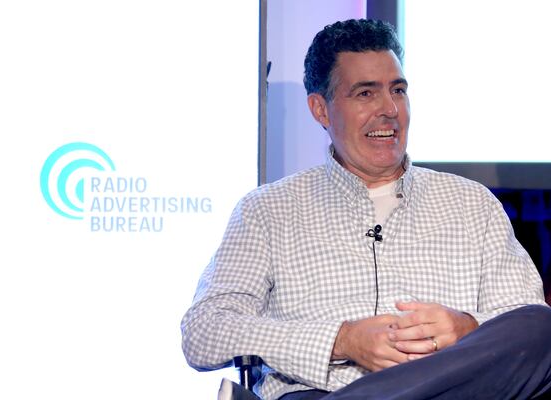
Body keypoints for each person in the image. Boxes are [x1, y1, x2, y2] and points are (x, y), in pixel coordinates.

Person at [181, 19, 551, 400]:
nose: (389, 109)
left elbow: (526, 327)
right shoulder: (268, 210)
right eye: (365, 94)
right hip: (317, 391)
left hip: (454, 393)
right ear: (320, 110)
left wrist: (469, 328)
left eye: (398, 90)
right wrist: (341, 340)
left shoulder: (473, 204)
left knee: (541, 326)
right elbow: (204, 332)